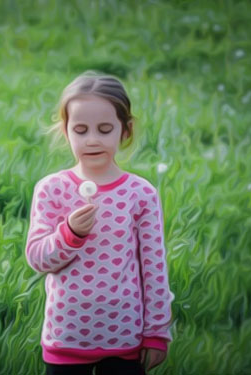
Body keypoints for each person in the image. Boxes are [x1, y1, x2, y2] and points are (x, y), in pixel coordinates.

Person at [24, 71, 175, 375]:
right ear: (66, 132)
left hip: (124, 337)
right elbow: (38, 259)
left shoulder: (141, 193)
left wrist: (157, 333)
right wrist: (70, 234)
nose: (92, 140)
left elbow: (155, 268)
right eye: (81, 130)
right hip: (66, 336)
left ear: (125, 131)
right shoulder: (51, 189)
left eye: (105, 129)